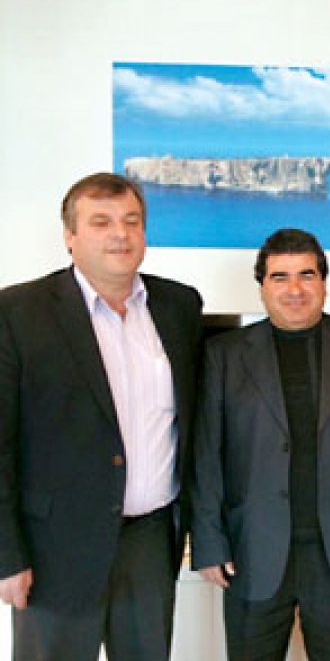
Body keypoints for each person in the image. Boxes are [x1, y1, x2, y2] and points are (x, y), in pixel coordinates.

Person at [0, 173, 204, 660]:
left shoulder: (179, 306)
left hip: (150, 543)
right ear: (70, 237)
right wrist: (7, 554)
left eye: (131, 221)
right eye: (101, 222)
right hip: (54, 550)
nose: (120, 234)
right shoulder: (18, 311)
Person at [191, 228, 330, 661]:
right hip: (251, 549)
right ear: (262, 287)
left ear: (324, 283)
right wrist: (209, 543)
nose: (295, 289)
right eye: (280, 277)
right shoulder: (224, 355)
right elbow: (206, 455)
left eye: (306, 275)